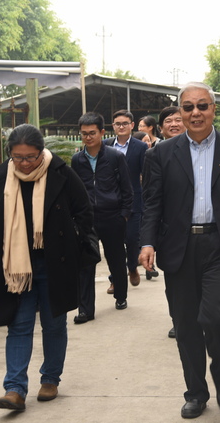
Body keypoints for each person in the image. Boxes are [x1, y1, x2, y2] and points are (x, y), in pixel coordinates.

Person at [140, 82, 220, 419]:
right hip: (179, 247)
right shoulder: (161, 154)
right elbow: (152, 204)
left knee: (219, 317)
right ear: (180, 112)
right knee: (186, 323)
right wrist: (147, 242)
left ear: (213, 109)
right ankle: (195, 392)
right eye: (188, 107)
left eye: (202, 106)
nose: (195, 113)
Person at [0, 124, 93, 411]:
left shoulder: (61, 173)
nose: (24, 163)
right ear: (10, 154)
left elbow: (84, 212)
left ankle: (50, 379)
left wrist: (72, 242)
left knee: (53, 323)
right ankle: (14, 388)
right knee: (18, 325)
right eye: (18, 157)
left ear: (41, 151)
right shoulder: (3, 178)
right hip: (17, 266)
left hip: (54, 262)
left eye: (30, 157)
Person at [71, 112, 133, 320]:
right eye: (84, 134)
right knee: (86, 262)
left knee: (116, 259)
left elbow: (127, 188)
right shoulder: (77, 160)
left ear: (102, 132)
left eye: (92, 133)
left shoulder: (115, 157)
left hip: (112, 216)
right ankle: (85, 310)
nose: (88, 137)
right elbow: (75, 190)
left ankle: (121, 296)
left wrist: (124, 215)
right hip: (86, 219)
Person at [141, 106, 187, 338]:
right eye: (169, 121)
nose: (174, 124)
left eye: (178, 120)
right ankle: (178, 320)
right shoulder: (154, 155)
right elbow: (150, 199)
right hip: (170, 231)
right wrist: (148, 241)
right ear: (160, 128)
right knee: (175, 283)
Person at [105, 110, 148, 288]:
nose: (121, 127)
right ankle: (115, 279)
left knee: (131, 240)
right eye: (118, 124)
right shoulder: (105, 145)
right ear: (113, 126)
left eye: (125, 123)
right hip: (110, 202)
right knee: (113, 243)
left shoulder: (141, 147)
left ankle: (132, 267)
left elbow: (146, 174)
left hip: (133, 202)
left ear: (132, 125)